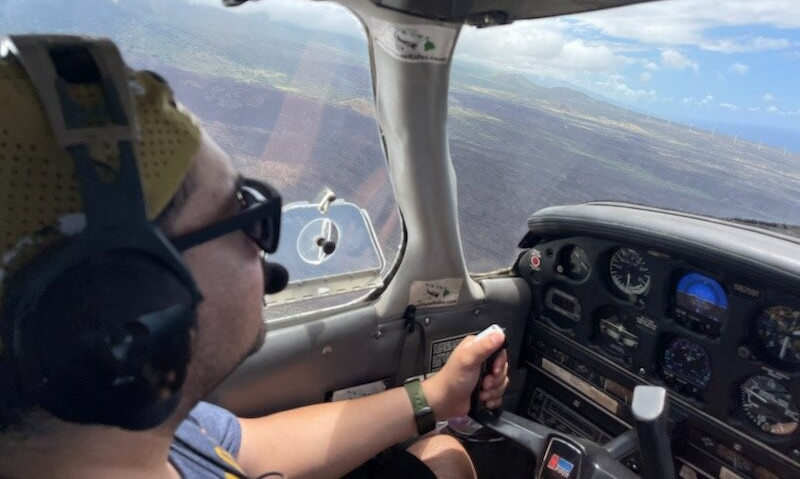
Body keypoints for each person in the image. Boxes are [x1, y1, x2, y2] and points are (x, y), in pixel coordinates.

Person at [0, 36, 509, 479]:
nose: (272, 264)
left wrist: (436, 397)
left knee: (443, 454)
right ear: (131, 307)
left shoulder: (128, 427)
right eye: (242, 215)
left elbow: (247, 448)